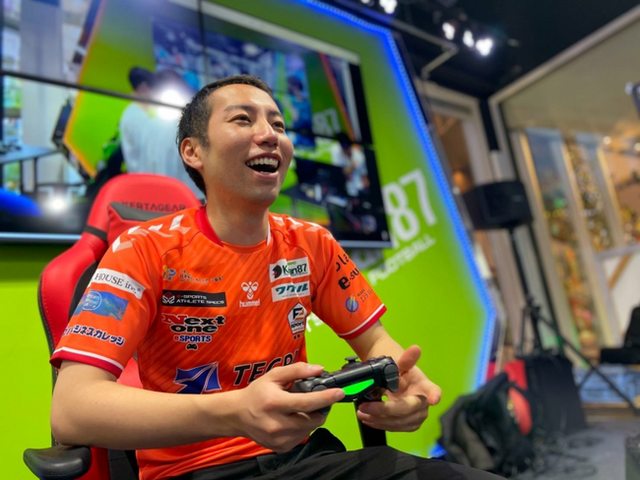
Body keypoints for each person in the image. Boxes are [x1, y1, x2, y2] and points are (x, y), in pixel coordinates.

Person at [50, 74, 502, 480]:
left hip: (308, 458)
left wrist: (407, 388)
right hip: (197, 471)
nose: (269, 135)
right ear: (193, 151)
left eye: (279, 125)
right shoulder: (143, 248)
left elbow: (378, 344)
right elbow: (71, 410)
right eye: (242, 119)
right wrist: (234, 411)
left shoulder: (312, 243)